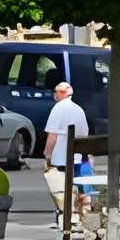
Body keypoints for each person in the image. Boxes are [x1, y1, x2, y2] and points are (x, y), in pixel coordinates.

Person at [43, 78, 87, 228]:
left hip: (61, 158)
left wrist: (47, 153)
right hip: (78, 156)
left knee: (60, 189)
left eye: (56, 92)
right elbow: (84, 134)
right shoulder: (79, 109)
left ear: (61, 94)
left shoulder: (58, 109)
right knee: (76, 187)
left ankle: (66, 216)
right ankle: (77, 215)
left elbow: (52, 135)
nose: (55, 94)